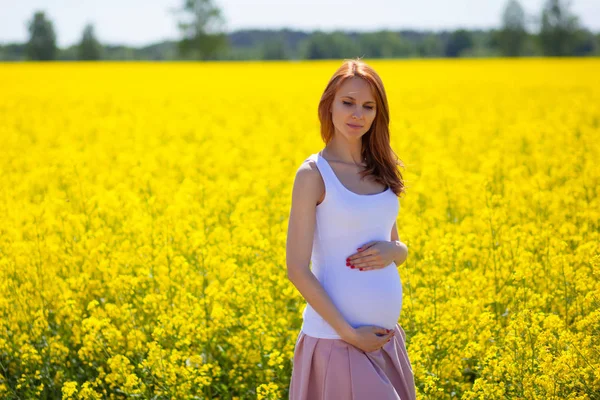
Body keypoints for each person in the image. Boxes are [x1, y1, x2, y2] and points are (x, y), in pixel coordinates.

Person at [286, 58, 417, 400]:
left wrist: (396, 251)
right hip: (337, 342)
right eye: (348, 102)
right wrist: (349, 334)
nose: (357, 114)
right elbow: (296, 269)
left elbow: (396, 246)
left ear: (378, 114)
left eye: (368, 106)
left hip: (385, 342)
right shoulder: (313, 174)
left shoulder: (380, 169)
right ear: (329, 105)